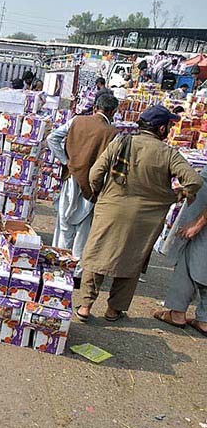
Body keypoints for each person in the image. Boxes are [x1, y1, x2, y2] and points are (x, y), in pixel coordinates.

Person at [77, 105, 203, 322]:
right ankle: (113, 310)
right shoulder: (169, 154)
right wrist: (179, 194)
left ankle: (85, 307)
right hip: (146, 220)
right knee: (131, 261)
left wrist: (102, 196)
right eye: (170, 126)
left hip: (111, 210)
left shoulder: (121, 142)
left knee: (97, 255)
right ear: (161, 129)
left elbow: (95, 174)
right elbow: (194, 181)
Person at [46, 93, 119, 282]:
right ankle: (76, 273)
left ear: (95, 107)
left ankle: (59, 267)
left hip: (71, 178)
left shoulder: (76, 121)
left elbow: (52, 138)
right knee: (83, 230)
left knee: (64, 225)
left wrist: (66, 161)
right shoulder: (112, 133)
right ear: (113, 112)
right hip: (93, 186)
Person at [153, 165, 207, 335]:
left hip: (200, 215)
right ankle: (203, 319)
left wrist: (198, 224)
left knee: (190, 256)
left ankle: (177, 313)